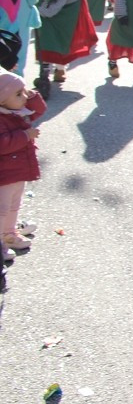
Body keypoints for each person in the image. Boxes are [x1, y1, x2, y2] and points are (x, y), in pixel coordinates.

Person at [0, 69, 45, 262]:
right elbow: (3, 143)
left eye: (24, 92)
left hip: (18, 171)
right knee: (2, 208)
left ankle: (9, 234)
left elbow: (40, 109)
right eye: (19, 94)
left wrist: (28, 92)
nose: (25, 97)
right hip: (5, 174)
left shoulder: (18, 111)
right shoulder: (3, 118)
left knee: (14, 205)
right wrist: (25, 136)